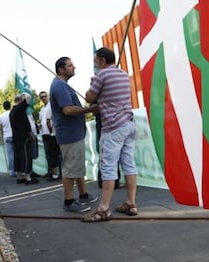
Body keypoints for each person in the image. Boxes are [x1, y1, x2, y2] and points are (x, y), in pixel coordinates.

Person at [82, 47, 138, 222]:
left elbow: (89, 98)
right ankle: (131, 203)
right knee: (129, 164)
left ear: (102, 61)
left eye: (95, 61)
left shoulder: (101, 76)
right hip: (129, 124)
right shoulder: (123, 74)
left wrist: (93, 82)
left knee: (108, 167)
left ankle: (103, 208)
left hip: (113, 128)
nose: (95, 64)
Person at [49, 57, 98, 212]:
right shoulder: (59, 86)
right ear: (61, 69)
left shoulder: (62, 85)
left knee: (76, 166)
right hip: (69, 134)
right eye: (70, 65)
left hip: (74, 133)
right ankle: (69, 201)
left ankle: (83, 195)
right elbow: (68, 110)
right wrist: (90, 110)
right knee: (70, 168)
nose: (74, 67)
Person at [10, 93, 39, 185]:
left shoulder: (13, 111)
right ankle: (27, 177)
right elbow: (28, 97)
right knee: (26, 155)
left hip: (17, 137)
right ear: (20, 101)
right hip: (24, 137)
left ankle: (19, 176)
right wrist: (29, 133)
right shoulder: (19, 109)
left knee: (18, 156)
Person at [39, 91, 60, 181]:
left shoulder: (51, 105)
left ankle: (57, 173)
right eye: (42, 97)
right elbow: (42, 120)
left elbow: (49, 121)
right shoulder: (42, 109)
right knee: (48, 154)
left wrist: (51, 129)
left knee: (55, 154)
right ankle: (51, 171)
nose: (44, 98)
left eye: (45, 96)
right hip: (44, 133)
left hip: (52, 134)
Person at [0, 100, 15, 177]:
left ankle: (11, 171)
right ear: (10, 105)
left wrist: (1, 139)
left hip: (6, 136)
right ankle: (19, 170)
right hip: (15, 135)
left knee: (10, 155)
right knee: (17, 153)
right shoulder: (13, 113)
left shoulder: (1, 116)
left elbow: (0, 128)